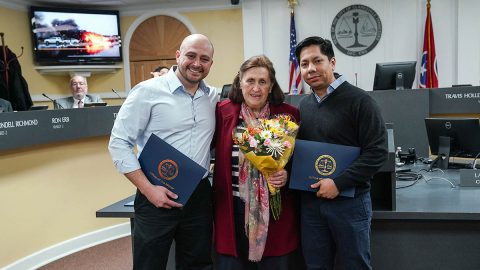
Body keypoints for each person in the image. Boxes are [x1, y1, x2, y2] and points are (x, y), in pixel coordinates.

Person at [109, 34, 217, 270]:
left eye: (204, 58)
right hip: (155, 194)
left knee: (198, 262)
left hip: (198, 195)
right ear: (178, 56)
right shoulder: (147, 91)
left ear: (211, 63)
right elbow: (118, 143)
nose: (197, 63)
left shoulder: (213, 97)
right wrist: (148, 190)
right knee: (149, 263)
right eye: (191, 56)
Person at [294, 36, 388, 270]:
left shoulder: (361, 101)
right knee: (316, 265)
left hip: (350, 202)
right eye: (304, 64)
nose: (311, 68)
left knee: (354, 265)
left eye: (318, 61)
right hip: (312, 204)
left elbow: (377, 152)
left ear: (332, 63)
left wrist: (338, 183)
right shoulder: (304, 106)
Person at [213, 55, 302, 270]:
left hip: (274, 211)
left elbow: (300, 161)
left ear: (271, 86)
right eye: (250, 81)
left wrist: (287, 175)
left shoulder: (289, 115)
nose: (256, 88)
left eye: (262, 82)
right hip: (231, 210)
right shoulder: (223, 113)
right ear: (240, 83)